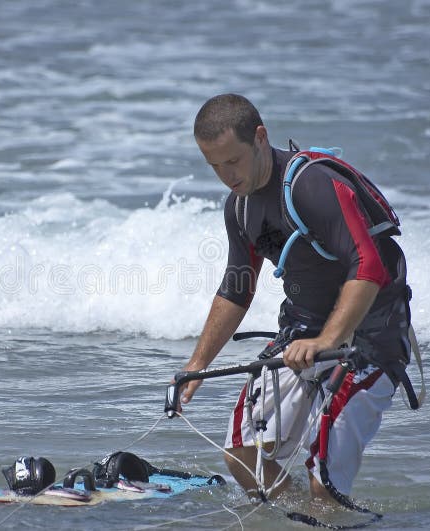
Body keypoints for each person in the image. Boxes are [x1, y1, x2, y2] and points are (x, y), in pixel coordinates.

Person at [175, 94, 414, 504]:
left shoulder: (311, 185)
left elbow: (369, 266)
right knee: (243, 455)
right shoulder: (240, 207)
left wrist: (327, 341)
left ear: (260, 138)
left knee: (324, 480)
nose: (226, 176)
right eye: (214, 166)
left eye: (233, 161)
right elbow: (237, 288)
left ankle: (324, 512)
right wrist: (197, 365)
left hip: (371, 337)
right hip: (302, 334)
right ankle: (305, 520)